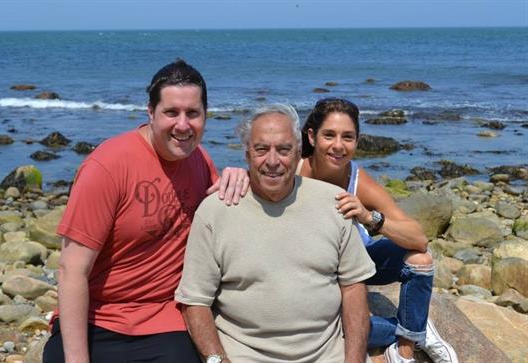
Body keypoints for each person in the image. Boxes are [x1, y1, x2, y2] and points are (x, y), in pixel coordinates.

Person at [42, 59, 250, 363]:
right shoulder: (108, 166)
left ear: (206, 116)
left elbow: (228, 220)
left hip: (165, 321)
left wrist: (242, 176)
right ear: (150, 113)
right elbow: (72, 270)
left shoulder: (200, 161)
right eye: (171, 113)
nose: (183, 125)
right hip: (97, 319)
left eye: (193, 113)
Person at [175, 104, 377, 363]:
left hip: (327, 354)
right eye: (261, 149)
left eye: (283, 150)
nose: (272, 161)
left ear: (298, 153)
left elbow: (353, 288)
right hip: (243, 355)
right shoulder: (215, 211)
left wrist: (355, 359)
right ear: (247, 154)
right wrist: (218, 361)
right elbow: (195, 303)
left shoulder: (333, 203)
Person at [298, 98, 458, 363]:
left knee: (420, 260)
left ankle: (404, 349)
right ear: (312, 136)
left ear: (357, 141)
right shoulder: (292, 174)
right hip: (316, 273)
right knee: (317, 329)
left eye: (347, 137)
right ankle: (413, 327)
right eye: (329, 135)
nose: (338, 145)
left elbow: (418, 239)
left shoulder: (358, 181)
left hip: (358, 263)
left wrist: (370, 217)